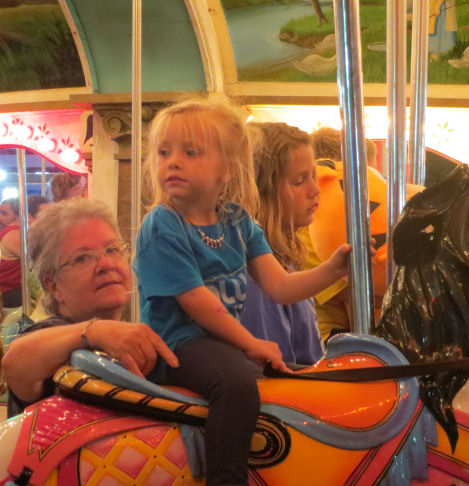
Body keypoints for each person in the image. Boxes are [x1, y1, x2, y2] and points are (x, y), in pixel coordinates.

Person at [134, 96, 353, 486]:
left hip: (220, 346)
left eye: (190, 152)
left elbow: (281, 286)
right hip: (176, 345)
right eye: (164, 153)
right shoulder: (163, 224)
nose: (173, 162)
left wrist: (333, 269)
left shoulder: (237, 222)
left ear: (226, 168)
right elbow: (198, 302)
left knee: (294, 384)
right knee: (235, 386)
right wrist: (251, 342)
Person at [1, 198, 178, 418]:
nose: (106, 264)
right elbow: (14, 362)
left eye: (113, 250)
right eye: (82, 258)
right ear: (53, 285)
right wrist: (94, 331)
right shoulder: (54, 335)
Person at [240, 122, 324, 365]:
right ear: (262, 191)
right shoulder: (257, 275)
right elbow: (276, 365)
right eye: (299, 181)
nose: (315, 190)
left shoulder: (285, 256)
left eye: (313, 176)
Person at [0, 198, 21, 308]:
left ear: (17, 216)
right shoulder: (13, 233)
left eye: (4, 213)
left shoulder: (13, 231)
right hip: (10, 292)